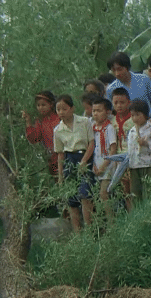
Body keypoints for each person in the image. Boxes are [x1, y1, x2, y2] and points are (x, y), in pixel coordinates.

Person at [53, 95, 95, 232]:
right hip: (69, 160)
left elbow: (91, 143)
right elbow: (60, 153)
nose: (61, 112)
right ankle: (77, 232)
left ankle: (89, 229)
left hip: (84, 157)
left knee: (85, 195)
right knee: (71, 199)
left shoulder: (84, 122)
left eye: (64, 109)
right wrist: (60, 176)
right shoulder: (58, 130)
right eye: (58, 109)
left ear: (72, 108)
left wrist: (84, 161)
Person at [105, 51, 151, 117]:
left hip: (149, 120)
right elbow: (112, 111)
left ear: (127, 67)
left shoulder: (144, 79)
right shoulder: (111, 89)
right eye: (114, 70)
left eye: (119, 69)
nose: (117, 73)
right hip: (126, 124)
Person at [22, 90, 61, 178]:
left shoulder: (59, 118)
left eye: (43, 105)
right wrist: (28, 121)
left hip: (64, 156)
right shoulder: (40, 121)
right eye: (38, 105)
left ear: (51, 104)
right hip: (52, 160)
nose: (40, 108)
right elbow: (34, 138)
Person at [91, 98, 118, 219]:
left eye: (99, 110)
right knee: (97, 195)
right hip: (97, 165)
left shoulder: (109, 128)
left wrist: (103, 166)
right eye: (93, 111)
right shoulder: (93, 128)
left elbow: (113, 150)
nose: (95, 113)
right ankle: (103, 222)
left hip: (107, 167)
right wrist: (94, 165)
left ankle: (111, 222)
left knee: (104, 194)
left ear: (107, 112)